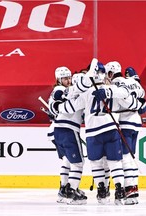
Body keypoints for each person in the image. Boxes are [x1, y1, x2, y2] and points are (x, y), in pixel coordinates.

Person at [50, 63, 143, 205]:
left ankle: (102, 191)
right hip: (112, 130)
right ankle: (119, 191)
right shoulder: (114, 89)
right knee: (115, 162)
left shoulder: (86, 92)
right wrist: (139, 104)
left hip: (93, 133)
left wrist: (57, 107)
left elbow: (71, 107)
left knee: (97, 163)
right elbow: (128, 100)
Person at [93, 63, 146, 205]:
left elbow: (124, 97)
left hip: (125, 122)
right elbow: (142, 97)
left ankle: (130, 189)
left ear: (110, 73)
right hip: (136, 122)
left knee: (125, 158)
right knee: (131, 156)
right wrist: (140, 105)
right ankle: (133, 189)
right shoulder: (133, 81)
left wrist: (108, 92)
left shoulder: (116, 83)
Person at [47, 66, 87, 205]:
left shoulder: (59, 90)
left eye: (69, 78)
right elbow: (61, 96)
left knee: (67, 160)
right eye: (65, 78)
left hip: (59, 129)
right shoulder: (60, 90)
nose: (68, 80)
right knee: (78, 163)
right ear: (59, 79)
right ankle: (72, 192)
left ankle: (63, 189)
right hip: (68, 129)